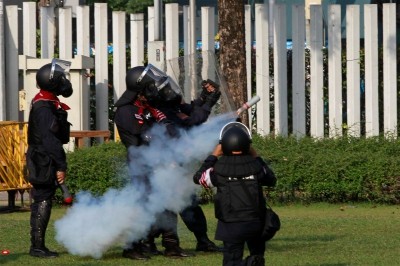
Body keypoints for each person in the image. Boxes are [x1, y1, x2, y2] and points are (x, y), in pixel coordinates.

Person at [114, 66, 191, 260]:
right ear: (139, 88)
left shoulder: (152, 108)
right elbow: (140, 138)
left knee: (169, 202)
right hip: (142, 164)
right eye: (150, 86)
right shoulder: (125, 110)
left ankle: (171, 245)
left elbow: (169, 129)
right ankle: (132, 247)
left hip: (162, 161)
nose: (154, 90)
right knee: (142, 205)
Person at [153, 75, 222, 252]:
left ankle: (203, 240)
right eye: (167, 90)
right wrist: (208, 103)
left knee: (189, 204)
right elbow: (192, 120)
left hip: (180, 163)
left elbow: (191, 109)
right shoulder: (161, 110)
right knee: (167, 206)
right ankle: (156, 243)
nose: (172, 92)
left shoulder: (172, 106)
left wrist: (205, 96)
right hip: (168, 165)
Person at [193, 122, 277, 266]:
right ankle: (253, 262)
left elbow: (198, 178)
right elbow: (271, 179)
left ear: (223, 145)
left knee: (231, 261)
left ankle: (248, 264)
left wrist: (213, 156)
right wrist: (256, 156)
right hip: (256, 222)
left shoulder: (218, 170)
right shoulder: (256, 167)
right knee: (257, 256)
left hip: (231, 224)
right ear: (247, 145)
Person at [26, 59, 74, 258]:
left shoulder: (47, 102)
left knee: (43, 198)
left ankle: (38, 246)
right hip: (42, 159)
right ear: (52, 82)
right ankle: (37, 247)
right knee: (43, 199)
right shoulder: (44, 107)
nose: (64, 81)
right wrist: (61, 165)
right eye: (61, 78)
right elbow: (50, 140)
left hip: (43, 157)